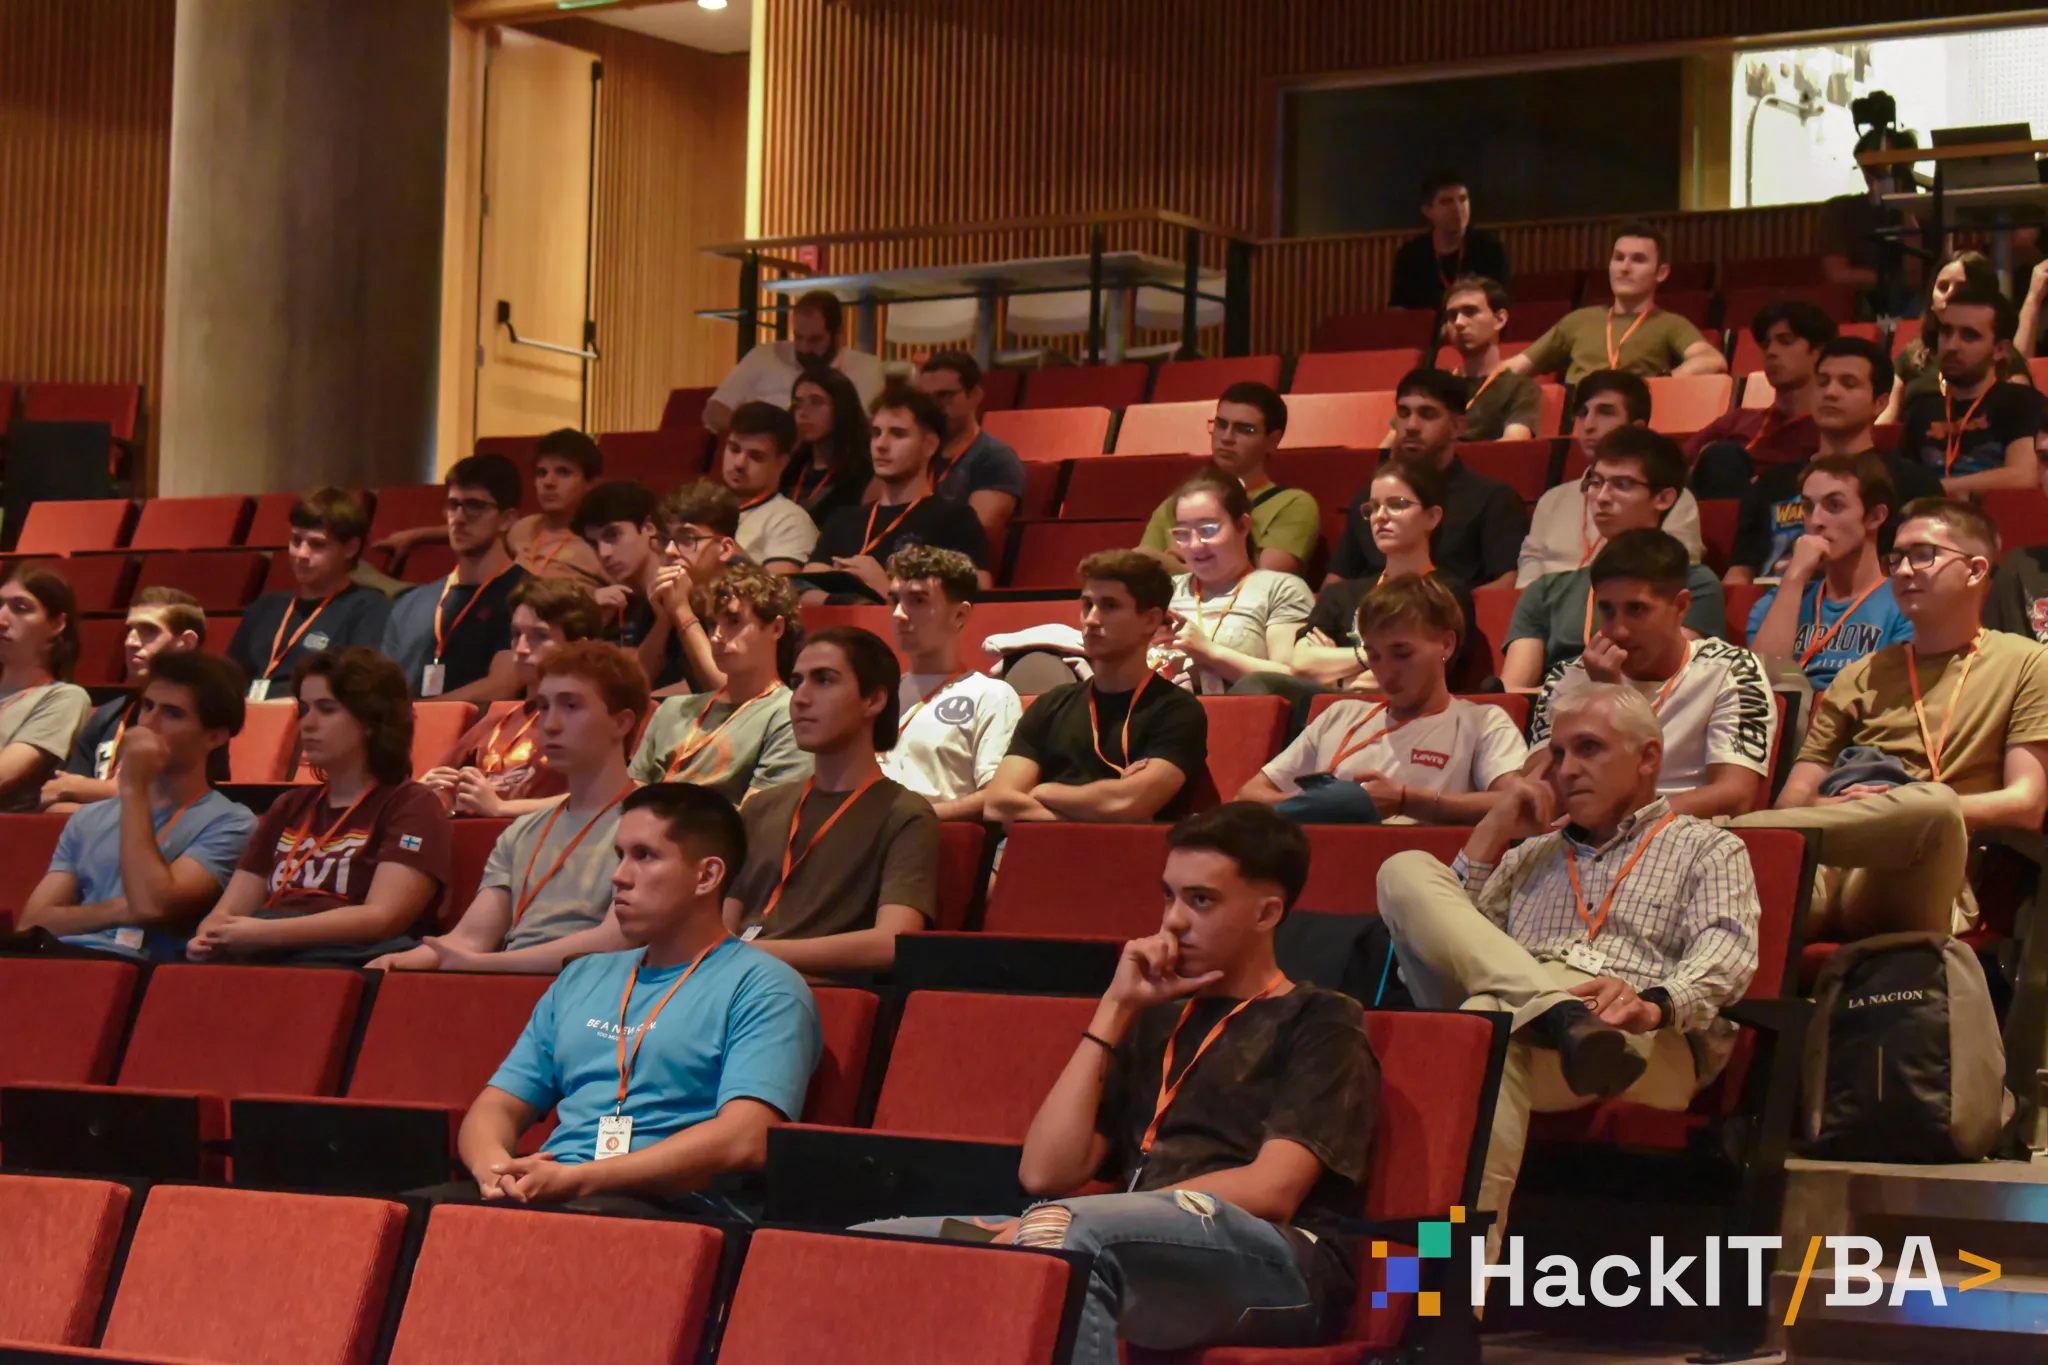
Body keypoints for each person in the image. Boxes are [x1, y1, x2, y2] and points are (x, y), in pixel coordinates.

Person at [859, 804, 1378, 1365]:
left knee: (1063, 1231)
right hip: (1122, 1240)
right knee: (874, 1242)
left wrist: (1083, 1220)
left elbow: (1274, 1188)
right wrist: (1115, 1007)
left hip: (1284, 1265)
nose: (1173, 921)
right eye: (1169, 896)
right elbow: (1044, 1172)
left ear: (1266, 913)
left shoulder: (1320, 1018)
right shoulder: (1156, 1017)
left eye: (1201, 900)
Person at [1375, 684, 1761, 1261]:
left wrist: (1654, 1002)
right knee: (1403, 869)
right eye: (1558, 754)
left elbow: (1727, 955)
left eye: (1589, 749)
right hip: (1523, 1018)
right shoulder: (1529, 853)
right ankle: (1557, 1014)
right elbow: (1452, 945)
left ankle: (1434, 1280)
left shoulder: (1708, 847)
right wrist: (1496, 824)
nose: (1568, 769)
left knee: (1482, 1027)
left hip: (1633, 1037)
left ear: (1648, 757)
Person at [451, 783, 820, 1214]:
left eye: (644, 856)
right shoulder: (583, 976)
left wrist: (580, 1179)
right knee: (430, 1213)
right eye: (620, 855)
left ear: (707, 876)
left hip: (673, 1203)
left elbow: (746, 1139)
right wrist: (495, 1170)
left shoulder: (765, 987)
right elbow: (496, 1106)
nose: (619, 876)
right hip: (560, 1187)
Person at [1762, 498, 2048, 940]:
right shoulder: (1860, 674)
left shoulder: (2028, 663)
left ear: (1975, 571)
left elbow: (2026, 804)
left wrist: (1904, 807)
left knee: (1931, 808)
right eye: (1896, 559)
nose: (1903, 571)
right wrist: (1861, 811)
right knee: (1737, 847)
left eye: (1923, 555)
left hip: (1926, 862)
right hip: (1835, 855)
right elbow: (1791, 803)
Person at [370, 642, 649, 975]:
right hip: (509, 985)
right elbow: (470, 939)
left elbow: (617, 940)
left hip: (598, 989)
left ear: (621, 723)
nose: (550, 724)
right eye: (544, 706)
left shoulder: (655, 822)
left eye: (571, 705)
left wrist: (485, 964)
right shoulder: (521, 831)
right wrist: (397, 963)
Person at [187, 648, 450, 965]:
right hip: (268, 953)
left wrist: (261, 933)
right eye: (304, 709)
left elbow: (383, 918)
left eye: (327, 709)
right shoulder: (290, 805)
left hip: (341, 961)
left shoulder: (412, 804)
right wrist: (209, 936)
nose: (306, 724)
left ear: (370, 721)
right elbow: (226, 912)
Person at [723, 627, 939, 976]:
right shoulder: (761, 807)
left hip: (813, 992)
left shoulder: (904, 813)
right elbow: (722, 925)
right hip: (733, 984)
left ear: (874, 700)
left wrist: (751, 952)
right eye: (797, 682)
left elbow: (893, 942)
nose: (800, 698)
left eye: (824, 680)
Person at [18, 651, 257, 960]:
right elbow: (33, 922)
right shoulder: (88, 818)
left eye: (173, 714)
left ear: (214, 737)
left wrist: (133, 787)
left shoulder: (231, 822)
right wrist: (124, 909)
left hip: (140, 967)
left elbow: (153, 905)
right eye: (148, 706)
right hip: (63, 959)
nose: (148, 723)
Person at [1239, 575, 1526, 822]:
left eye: (1402, 653)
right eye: (1373, 656)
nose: (1385, 671)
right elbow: (1249, 796)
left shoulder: (1482, 721)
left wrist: (1407, 801)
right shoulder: (1339, 715)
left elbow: (1520, 804)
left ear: (1446, 644)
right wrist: (1314, 806)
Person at [1529, 531, 1774, 819]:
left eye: (1636, 610)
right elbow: (1538, 791)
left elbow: (1735, 795)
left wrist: (1627, 822)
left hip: (1685, 833)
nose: (1619, 630)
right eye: (1607, 611)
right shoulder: (1568, 677)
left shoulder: (1731, 670)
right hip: (1580, 834)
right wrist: (1597, 698)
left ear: (1681, 606)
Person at [986, 552, 1210, 826]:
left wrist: (1045, 790)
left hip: (1131, 851)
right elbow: (997, 805)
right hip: (1038, 847)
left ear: (1151, 620)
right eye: (1087, 605)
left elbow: (1129, 803)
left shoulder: (1177, 710)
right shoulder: (1051, 704)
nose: (1091, 620)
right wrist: (1101, 808)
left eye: (1110, 606)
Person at [1504, 430, 1726, 688]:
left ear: (1664, 498)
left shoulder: (1691, 582)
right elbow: (1513, 693)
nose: (1602, 497)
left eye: (1622, 485)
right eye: (1596, 483)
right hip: (1552, 708)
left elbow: (1667, 681)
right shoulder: (1544, 590)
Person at [1267, 459, 1486, 717]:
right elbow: (1302, 662)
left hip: (1411, 716)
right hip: (1331, 711)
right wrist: (1367, 658)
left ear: (1432, 517)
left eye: (1396, 505)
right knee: (1264, 684)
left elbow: (1413, 674)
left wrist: (1336, 673)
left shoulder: (1445, 592)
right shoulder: (1341, 594)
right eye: (1373, 507)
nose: (1380, 516)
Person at [1727, 337, 1940, 585]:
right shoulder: (1771, 483)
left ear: (1880, 404)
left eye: (1849, 384)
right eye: (1822, 382)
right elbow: (1740, 571)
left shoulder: (1913, 484)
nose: (1830, 392)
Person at [421, 577, 604, 817]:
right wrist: (423, 793)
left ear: (578, 648)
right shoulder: (494, 721)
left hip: (548, 837)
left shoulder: (596, 717)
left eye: (540, 636)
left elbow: (611, 796)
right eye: (516, 634)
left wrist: (502, 808)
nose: (521, 649)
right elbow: (437, 789)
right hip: (470, 834)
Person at [1329, 369, 1524, 590]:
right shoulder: (1371, 499)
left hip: (1451, 608)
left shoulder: (1492, 498)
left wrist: (1447, 606)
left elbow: (1505, 585)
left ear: (1458, 426)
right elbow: (1336, 581)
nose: (1411, 426)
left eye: (1427, 414)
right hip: (1366, 607)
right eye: (1404, 413)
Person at [630, 563, 809, 802]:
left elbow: (760, 816)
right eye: (712, 624)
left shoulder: (790, 716)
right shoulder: (672, 710)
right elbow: (629, 799)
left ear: (776, 628)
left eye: (733, 621)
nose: (716, 636)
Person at [802, 382, 990, 603]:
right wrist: (853, 602)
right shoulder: (844, 519)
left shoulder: (954, 519)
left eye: (898, 434)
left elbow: (977, 591)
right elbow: (804, 587)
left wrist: (888, 589)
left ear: (929, 445)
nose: (881, 445)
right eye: (876, 433)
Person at [1519, 371, 1705, 587]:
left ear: (1637, 428)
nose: (1588, 425)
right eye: (1583, 413)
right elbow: (1530, 568)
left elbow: (1676, 575)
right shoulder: (1553, 499)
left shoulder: (1674, 499)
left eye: (1605, 412)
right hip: (1550, 605)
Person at [1746, 453, 1913, 691]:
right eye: (1808, 507)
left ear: (1875, 517)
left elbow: (1892, 695)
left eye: (1834, 506)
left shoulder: (1906, 602)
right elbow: (1760, 690)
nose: (1816, 521)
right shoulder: (1774, 604)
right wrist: (1794, 578)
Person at [879, 545, 1022, 821]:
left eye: (917, 600)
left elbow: (996, 796)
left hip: (935, 836)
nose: (898, 613)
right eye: (894, 600)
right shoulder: (877, 694)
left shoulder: (990, 695)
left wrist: (913, 817)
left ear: (959, 615)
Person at [376, 431, 608, 589]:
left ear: (591, 483)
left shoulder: (604, 541)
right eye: (541, 473)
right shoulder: (525, 527)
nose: (548, 482)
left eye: (563, 472)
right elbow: (478, 524)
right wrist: (414, 535)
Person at [380, 454, 528, 702]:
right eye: (452, 505)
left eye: (474, 506)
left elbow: (503, 686)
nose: (458, 519)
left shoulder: (527, 595)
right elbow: (381, 689)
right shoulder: (410, 603)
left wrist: (417, 715)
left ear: (507, 519)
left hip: (479, 727)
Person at [1505, 224, 1727, 385]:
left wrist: (1660, 385)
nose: (1624, 268)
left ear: (1661, 272)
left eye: (1638, 260)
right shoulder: (1578, 320)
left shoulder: (1670, 323)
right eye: (1618, 258)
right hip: (1579, 416)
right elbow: (1517, 367)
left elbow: (1711, 360)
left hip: (1633, 416)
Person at [45, 589, 204, 812]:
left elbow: (171, 798)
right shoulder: (108, 715)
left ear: (186, 643)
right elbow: (53, 801)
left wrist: (80, 788)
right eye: (130, 630)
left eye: (149, 631)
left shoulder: (202, 713)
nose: (130, 642)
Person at [1137, 384, 1320, 576]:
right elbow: (1140, 578)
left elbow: (1266, 581)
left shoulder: (1292, 504)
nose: (1226, 437)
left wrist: (1168, 561)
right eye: (1221, 424)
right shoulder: (1176, 504)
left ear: (1273, 440)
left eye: (1245, 429)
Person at [227, 489, 393, 698]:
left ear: (350, 548)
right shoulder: (265, 607)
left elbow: (358, 688)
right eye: (296, 541)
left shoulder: (369, 607)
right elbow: (228, 680)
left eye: (317, 544)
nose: (302, 554)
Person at [1160, 471, 1311, 694]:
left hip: (1246, 712)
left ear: (1242, 525)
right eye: (1183, 533)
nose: (1195, 545)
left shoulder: (1280, 588)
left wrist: (1210, 652)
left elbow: (1291, 679)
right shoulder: (1163, 591)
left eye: (1208, 530)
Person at [1897, 283, 2044, 495]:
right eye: (1946, 332)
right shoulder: (1920, 406)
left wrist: (1936, 488)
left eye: (1970, 335)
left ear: (2000, 350)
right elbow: (1901, 482)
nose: (1951, 345)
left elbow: (2024, 476)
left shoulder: (2022, 402)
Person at [1684, 301, 1833, 498]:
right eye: (1765, 345)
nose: (1771, 352)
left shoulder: (1829, 430)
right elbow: (1673, 466)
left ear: (1817, 353)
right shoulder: (1736, 421)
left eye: (1786, 342)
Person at [705, 288, 885, 433]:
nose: (804, 348)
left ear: (838, 333)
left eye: (815, 340)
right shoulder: (764, 355)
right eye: (798, 337)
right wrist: (755, 436)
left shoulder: (865, 367)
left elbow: (864, 428)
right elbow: (714, 410)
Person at [576, 480, 697, 694]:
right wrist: (595, 624)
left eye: (613, 535)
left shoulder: (689, 580)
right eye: (594, 544)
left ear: (648, 528)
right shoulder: (621, 603)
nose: (604, 553)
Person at [0, 566, 93, 812]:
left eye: (20, 608)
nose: (1, 620)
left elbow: (4, 775)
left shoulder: (63, 698)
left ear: (56, 624)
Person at [1882, 251, 2016, 420]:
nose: (1949, 295)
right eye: (1943, 287)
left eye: (1961, 288)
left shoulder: (2001, 354)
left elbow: (2016, 409)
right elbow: (1888, 417)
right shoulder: (1911, 356)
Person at [916, 350, 1028, 543]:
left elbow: (974, 533)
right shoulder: (912, 452)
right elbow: (871, 511)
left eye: (945, 395)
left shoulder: (996, 458)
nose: (934, 406)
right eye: (926, 398)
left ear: (975, 395)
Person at [654, 480, 751, 692]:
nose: (670, 550)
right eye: (666, 539)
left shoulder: (748, 598)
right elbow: (637, 687)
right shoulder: (671, 589)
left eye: (687, 537)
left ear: (725, 549)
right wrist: (664, 619)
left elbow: (729, 689)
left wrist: (681, 611)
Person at [1818, 124, 1919, 321]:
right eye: (1870, 168)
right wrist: (1885, 280)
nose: (1877, 175)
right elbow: (1837, 274)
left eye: (1891, 167)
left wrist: (1907, 207)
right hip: (1865, 301)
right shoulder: (1841, 210)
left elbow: (1914, 277)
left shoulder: (1925, 209)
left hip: (1915, 303)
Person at [719, 400, 818, 574]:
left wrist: (725, 551)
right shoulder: (702, 506)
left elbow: (780, 588)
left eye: (755, 456)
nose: (739, 463)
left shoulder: (790, 520)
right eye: (734, 449)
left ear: (782, 463)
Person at [1388, 172, 1511, 310]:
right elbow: (1398, 308)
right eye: (1446, 202)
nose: (1457, 208)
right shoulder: (1411, 255)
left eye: (1463, 199)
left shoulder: (1490, 249)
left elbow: (1500, 305)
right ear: (1428, 211)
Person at [1440, 277, 1542, 441]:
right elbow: (1396, 443)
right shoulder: (1434, 386)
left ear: (1500, 319)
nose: (1458, 323)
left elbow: (1513, 445)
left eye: (1470, 312)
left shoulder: (1519, 388)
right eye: (1452, 316)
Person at [783, 365, 876, 530]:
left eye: (816, 402)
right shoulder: (789, 468)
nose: (803, 413)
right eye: (798, 404)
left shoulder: (864, 472)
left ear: (841, 408)